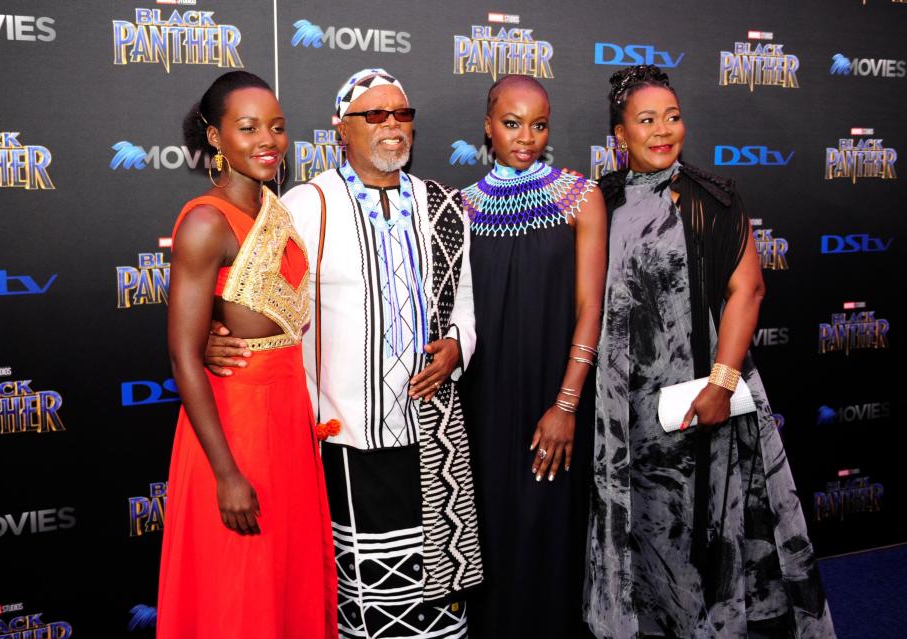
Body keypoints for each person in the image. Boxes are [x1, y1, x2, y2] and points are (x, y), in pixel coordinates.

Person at [204, 68, 483, 639]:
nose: (392, 127)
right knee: (364, 601)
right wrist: (219, 333)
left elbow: (467, 306)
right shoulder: (303, 207)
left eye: (402, 115)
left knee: (437, 596)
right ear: (341, 130)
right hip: (343, 433)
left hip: (431, 432)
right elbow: (262, 300)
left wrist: (456, 346)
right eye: (375, 115)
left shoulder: (446, 207)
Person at [584, 65, 835, 638]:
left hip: (696, 401)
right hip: (624, 411)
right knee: (638, 531)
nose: (663, 130)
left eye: (672, 117)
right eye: (646, 120)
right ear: (619, 134)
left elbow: (749, 289)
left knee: (697, 529)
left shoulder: (710, 197)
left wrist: (721, 384)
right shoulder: (602, 200)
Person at [157, 70, 337, 638]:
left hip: (287, 419)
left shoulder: (277, 212)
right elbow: (185, 356)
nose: (268, 140)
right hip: (234, 428)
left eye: (278, 128)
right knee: (238, 586)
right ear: (215, 138)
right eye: (248, 127)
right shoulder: (206, 222)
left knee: (286, 578)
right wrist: (226, 473)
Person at [457, 75, 606, 638]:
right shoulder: (462, 207)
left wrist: (566, 404)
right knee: (490, 530)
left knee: (548, 531)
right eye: (512, 123)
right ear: (488, 127)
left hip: (555, 392)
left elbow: (591, 306)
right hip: (483, 401)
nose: (526, 137)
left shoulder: (580, 196)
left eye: (538, 125)